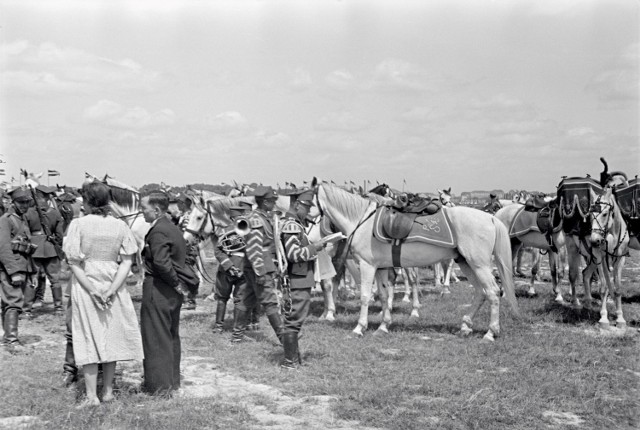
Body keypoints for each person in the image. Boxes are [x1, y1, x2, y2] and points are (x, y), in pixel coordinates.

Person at [62, 181, 143, 407]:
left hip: (86, 281)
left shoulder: (78, 224)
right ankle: (107, 391)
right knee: (111, 334)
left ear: (87, 201)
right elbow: (127, 262)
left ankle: (91, 396)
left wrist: (92, 290)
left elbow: (74, 262)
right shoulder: (120, 226)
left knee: (88, 335)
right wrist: (111, 288)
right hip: (113, 279)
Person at [140, 192, 188, 395]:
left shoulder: (159, 231)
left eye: (144, 208)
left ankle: (159, 387)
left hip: (159, 287)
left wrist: (175, 283)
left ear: (157, 210)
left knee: (155, 336)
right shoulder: (171, 227)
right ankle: (171, 381)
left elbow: (160, 262)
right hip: (170, 291)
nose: (142, 212)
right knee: (169, 334)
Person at [232, 186, 284, 344]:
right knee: (270, 302)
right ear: (265, 202)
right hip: (259, 267)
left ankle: (236, 336)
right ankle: (284, 338)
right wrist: (260, 272)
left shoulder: (262, 216)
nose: (274, 204)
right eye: (272, 201)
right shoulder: (256, 219)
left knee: (247, 299)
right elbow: (254, 249)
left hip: (257, 266)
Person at [279, 189, 324, 369]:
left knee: (294, 320)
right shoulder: (292, 225)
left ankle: (294, 359)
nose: (308, 211)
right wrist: (316, 248)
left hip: (300, 279)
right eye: (306, 206)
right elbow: (293, 254)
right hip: (297, 280)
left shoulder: (296, 224)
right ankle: (289, 363)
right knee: (293, 321)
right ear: (297, 204)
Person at [0, 187, 37, 352]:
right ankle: (12, 341)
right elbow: (4, 248)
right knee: (13, 303)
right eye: (21, 202)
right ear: (13, 202)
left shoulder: (22, 219)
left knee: (9, 303)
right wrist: (13, 271)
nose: (24, 206)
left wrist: (33, 271)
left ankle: (7, 337)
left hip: (23, 266)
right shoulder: (6, 220)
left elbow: (27, 247)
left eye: (27, 203)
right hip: (11, 268)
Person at [212, 201, 257, 334]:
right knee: (226, 299)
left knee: (233, 299)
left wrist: (229, 265)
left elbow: (218, 251)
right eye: (240, 216)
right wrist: (230, 266)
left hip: (234, 269)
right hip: (232, 270)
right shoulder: (236, 230)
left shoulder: (227, 230)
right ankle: (222, 326)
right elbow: (218, 251)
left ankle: (229, 327)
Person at [24, 185, 65, 313]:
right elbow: (59, 235)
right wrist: (56, 246)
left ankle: (27, 309)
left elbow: (25, 233)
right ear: (47, 197)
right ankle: (58, 306)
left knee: (32, 279)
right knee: (55, 280)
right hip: (51, 248)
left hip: (34, 249)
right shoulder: (55, 212)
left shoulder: (28, 212)